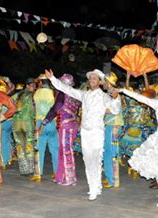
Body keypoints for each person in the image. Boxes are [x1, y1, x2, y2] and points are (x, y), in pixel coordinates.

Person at [45, 68, 121, 200]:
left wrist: (116, 99)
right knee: (87, 160)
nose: (91, 80)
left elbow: (115, 111)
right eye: (90, 78)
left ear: (99, 81)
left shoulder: (104, 97)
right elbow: (67, 89)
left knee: (96, 159)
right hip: (85, 131)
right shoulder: (84, 94)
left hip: (97, 131)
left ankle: (95, 188)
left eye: (94, 79)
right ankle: (94, 187)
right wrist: (52, 79)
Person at [40, 74, 81, 186]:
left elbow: (55, 108)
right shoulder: (75, 94)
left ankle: (69, 178)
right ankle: (60, 176)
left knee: (66, 151)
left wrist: (45, 121)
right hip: (73, 124)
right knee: (63, 151)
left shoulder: (63, 95)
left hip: (66, 126)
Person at [31, 74, 59, 182]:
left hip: (40, 122)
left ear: (41, 82)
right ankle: (57, 172)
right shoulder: (53, 93)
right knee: (55, 149)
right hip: (52, 123)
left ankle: (38, 174)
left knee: (39, 149)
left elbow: (34, 106)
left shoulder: (37, 93)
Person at [101, 72, 124, 189]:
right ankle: (112, 179)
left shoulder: (112, 92)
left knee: (111, 153)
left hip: (113, 126)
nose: (102, 83)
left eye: (104, 81)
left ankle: (112, 180)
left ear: (108, 82)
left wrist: (99, 111)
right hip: (112, 125)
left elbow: (114, 110)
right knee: (110, 153)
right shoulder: (111, 92)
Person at [12, 78, 37, 176]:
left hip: (16, 122)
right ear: (27, 86)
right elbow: (34, 110)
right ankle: (30, 168)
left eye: (35, 85)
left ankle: (24, 169)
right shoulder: (32, 96)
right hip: (27, 122)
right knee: (29, 144)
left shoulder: (18, 95)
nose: (34, 87)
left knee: (20, 145)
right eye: (32, 85)